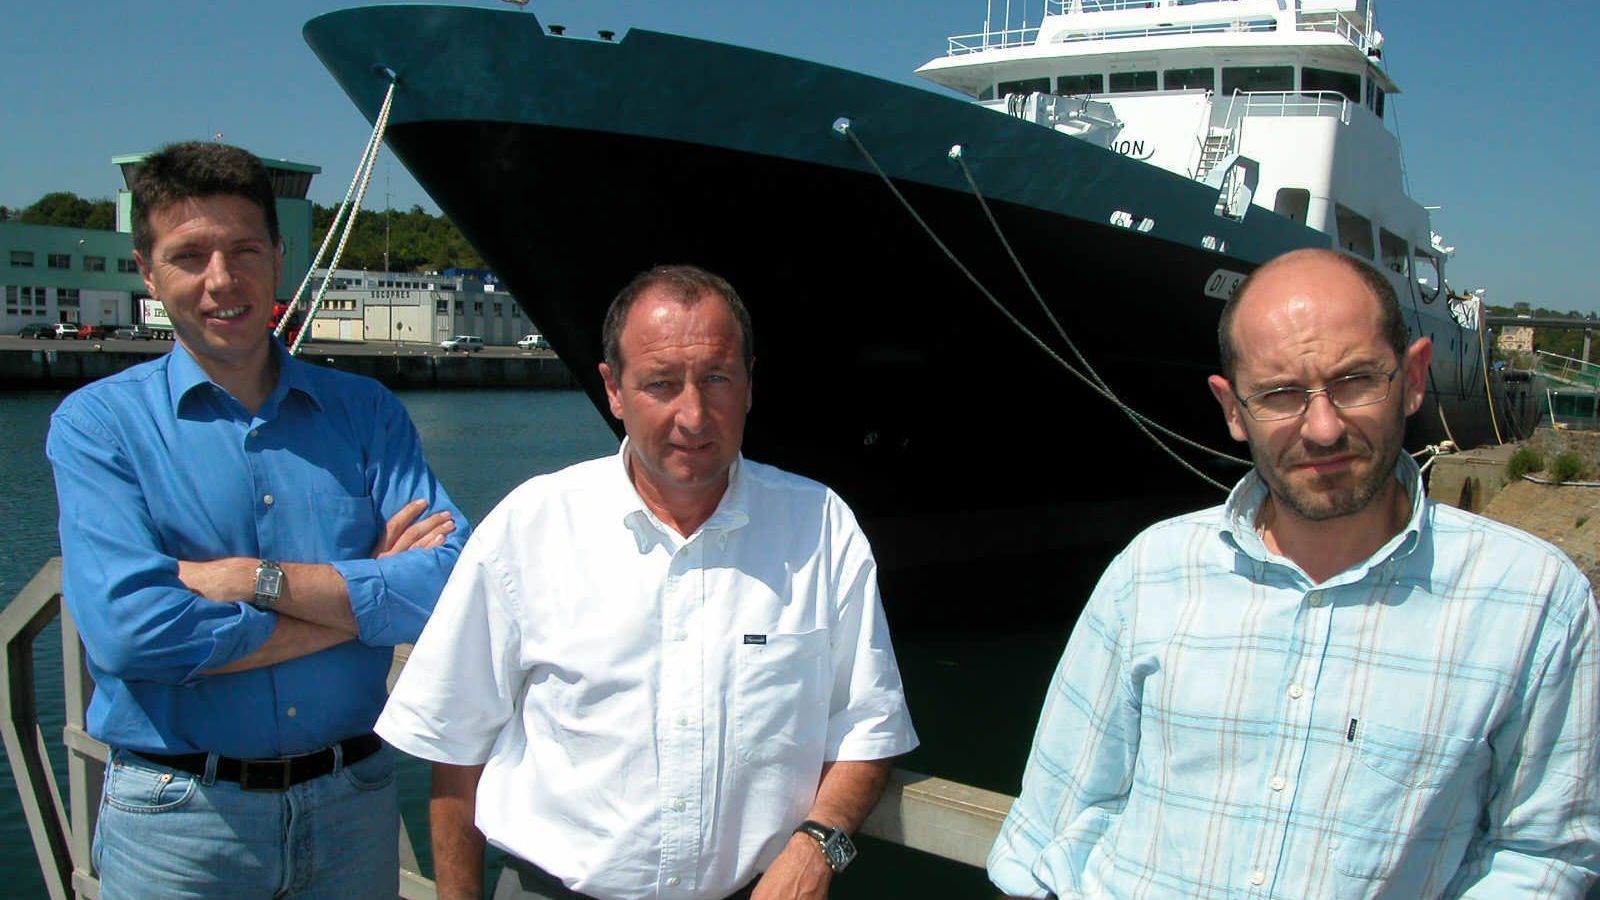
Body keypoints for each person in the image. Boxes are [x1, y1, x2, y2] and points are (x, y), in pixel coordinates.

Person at [988, 248, 1600, 898]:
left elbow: (1545, 858)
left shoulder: (1535, 602)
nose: (1324, 427)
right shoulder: (1149, 574)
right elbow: (1048, 829)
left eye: (1357, 381)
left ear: (1415, 377)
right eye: (1280, 395)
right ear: (1231, 409)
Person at [376, 264, 918, 900]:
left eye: (716, 378)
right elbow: (457, 748)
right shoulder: (530, 528)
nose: (693, 415)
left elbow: (866, 727)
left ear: (748, 384)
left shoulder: (823, 528)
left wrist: (819, 846)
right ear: (612, 388)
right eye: (661, 384)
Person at [45, 141, 468, 898]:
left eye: (244, 250)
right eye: (189, 255)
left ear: (279, 257)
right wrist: (356, 607)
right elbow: (129, 631)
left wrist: (250, 580)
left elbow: (450, 582)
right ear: (147, 270)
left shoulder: (366, 413)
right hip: (181, 823)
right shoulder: (99, 427)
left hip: (353, 806)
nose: (221, 280)